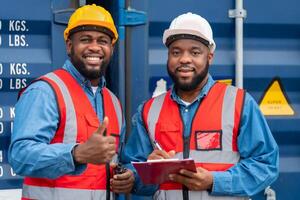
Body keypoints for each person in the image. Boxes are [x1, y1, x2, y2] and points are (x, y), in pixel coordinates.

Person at [122, 12, 279, 200]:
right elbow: (134, 173)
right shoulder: (148, 111)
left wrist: (214, 181)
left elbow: (266, 165)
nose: (184, 59)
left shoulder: (239, 103)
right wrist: (144, 173)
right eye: (176, 52)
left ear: (209, 57)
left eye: (195, 52)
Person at [8, 4, 134, 200]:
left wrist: (127, 176)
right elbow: (20, 156)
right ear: (69, 46)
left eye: (103, 40)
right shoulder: (46, 91)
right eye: (85, 39)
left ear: (112, 48)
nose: (94, 47)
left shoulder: (113, 102)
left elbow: (115, 162)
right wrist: (76, 154)